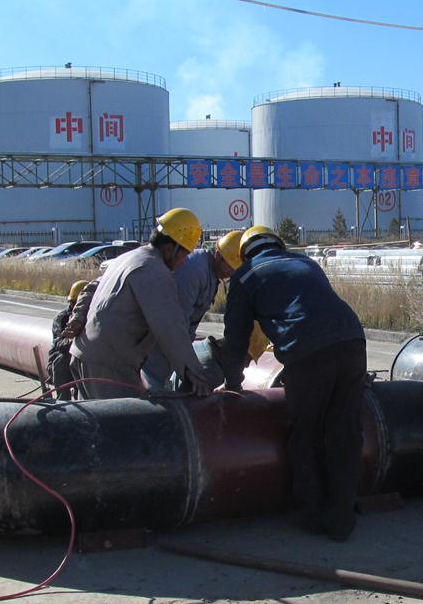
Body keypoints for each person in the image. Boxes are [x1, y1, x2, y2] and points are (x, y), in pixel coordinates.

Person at [218, 225, 367, 542]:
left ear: (245, 254)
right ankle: (342, 517)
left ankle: (312, 514)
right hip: (353, 339)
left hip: (307, 350)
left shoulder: (245, 277)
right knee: (345, 430)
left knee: (306, 430)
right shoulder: (305, 262)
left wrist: (232, 382)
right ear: (278, 245)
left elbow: (236, 338)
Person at [68, 208, 212, 400]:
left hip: (85, 354)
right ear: (170, 248)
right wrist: (193, 373)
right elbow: (170, 327)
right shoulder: (154, 271)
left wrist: (78, 316)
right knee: (125, 418)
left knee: (92, 418)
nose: (183, 262)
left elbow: (90, 287)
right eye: (184, 255)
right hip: (108, 365)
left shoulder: (128, 258)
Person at [140, 229, 243, 390]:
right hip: (157, 350)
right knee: (152, 393)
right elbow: (175, 325)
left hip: (169, 352)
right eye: (229, 265)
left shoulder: (210, 274)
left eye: (235, 268)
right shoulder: (195, 270)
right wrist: (191, 369)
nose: (231, 271)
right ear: (218, 255)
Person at [47, 279, 93, 399]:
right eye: (74, 303)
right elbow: (59, 344)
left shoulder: (94, 316)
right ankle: (63, 400)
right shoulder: (62, 318)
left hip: (87, 358)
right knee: (60, 362)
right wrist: (75, 340)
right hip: (65, 358)